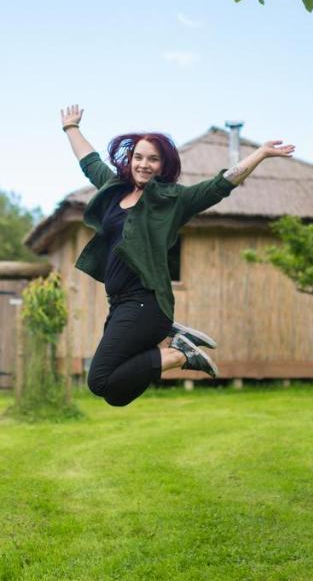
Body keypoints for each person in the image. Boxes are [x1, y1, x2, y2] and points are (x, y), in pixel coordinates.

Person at [61, 104, 294, 407]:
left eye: (153, 159)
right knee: (116, 394)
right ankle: (175, 341)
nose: (144, 164)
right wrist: (71, 128)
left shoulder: (173, 201)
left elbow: (221, 184)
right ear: (130, 160)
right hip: (119, 303)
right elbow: (89, 161)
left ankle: (180, 353)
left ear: (162, 165)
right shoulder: (113, 190)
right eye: (139, 157)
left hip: (145, 301)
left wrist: (260, 153)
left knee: (99, 379)